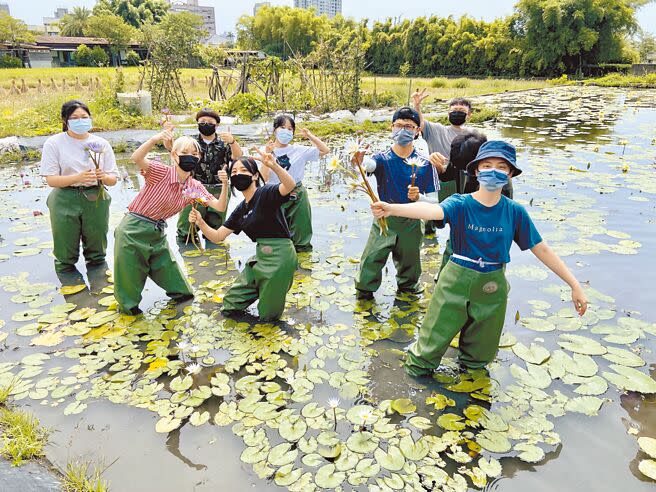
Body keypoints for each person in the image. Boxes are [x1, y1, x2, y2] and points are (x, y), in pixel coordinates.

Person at [370, 140, 588, 376]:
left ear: (510, 173)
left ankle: (469, 397)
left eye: (501, 167)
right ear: (476, 170)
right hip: (456, 280)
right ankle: (418, 384)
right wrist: (392, 208)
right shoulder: (461, 204)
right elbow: (433, 211)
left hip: (492, 287)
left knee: (479, 357)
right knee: (429, 346)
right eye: (487, 165)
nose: (493, 171)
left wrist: (574, 285)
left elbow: (541, 248)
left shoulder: (514, 212)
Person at [114, 132, 228, 315]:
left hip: (157, 233)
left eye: (194, 153)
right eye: (184, 152)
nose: (190, 156)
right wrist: (154, 138)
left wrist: (225, 184)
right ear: (174, 155)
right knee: (129, 298)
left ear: (198, 158)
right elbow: (136, 158)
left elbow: (219, 207)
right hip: (133, 229)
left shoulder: (194, 187)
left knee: (184, 293)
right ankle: (130, 329)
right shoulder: (161, 172)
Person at [189, 150, 298, 321]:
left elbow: (289, 186)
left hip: (280, 257)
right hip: (261, 256)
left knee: (268, 317)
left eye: (244, 171)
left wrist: (274, 166)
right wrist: (201, 222)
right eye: (234, 172)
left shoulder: (266, 193)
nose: (238, 174)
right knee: (231, 304)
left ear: (255, 176)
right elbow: (218, 236)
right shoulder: (241, 209)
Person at [353, 107, 446, 299]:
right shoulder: (382, 158)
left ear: (417, 131)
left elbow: (435, 203)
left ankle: (408, 300)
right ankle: (363, 297)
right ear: (391, 128)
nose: (403, 130)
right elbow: (367, 167)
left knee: (409, 271)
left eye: (409, 126)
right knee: (370, 262)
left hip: (411, 222)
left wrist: (419, 197)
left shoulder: (426, 164)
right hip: (383, 220)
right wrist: (359, 161)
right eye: (399, 125)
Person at [39, 100, 118, 275]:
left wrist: (103, 177)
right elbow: (51, 180)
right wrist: (78, 177)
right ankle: (70, 289)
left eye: (84, 117)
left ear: (90, 118)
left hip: (95, 197)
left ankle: (100, 288)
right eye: (75, 117)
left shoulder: (101, 144)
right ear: (65, 120)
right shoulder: (54, 143)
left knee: (97, 251)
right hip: (65, 198)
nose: (80, 120)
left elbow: (113, 179)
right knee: (65, 252)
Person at [436, 131, 513, 275]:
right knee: (450, 261)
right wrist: (438, 169)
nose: (465, 172)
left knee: (484, 274)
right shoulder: (462, 157)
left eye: (468, 170)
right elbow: (448, 175)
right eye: (462, 169)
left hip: (487, 232)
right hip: (461, 224)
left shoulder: (498, 182)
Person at [259, 115, 330, 253]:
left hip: (296, 193)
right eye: (282, 127)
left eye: (290, 129)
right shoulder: (265, 150)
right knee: (276, 234)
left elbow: (325, 150)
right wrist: (267, 156)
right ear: (275, 130)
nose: (286, 131)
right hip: (274, 193)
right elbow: (263, 177)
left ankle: (303, 263)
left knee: (301, 233)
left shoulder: (299, 150)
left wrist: (310, 136)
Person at [170, 108, 242, 243]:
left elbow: (238, 156)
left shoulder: (224, 143)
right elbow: (173, 151)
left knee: (216, 229)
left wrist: (233, 141)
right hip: (194, 189)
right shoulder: (191, 144)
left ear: (217, 125)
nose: (206, 125)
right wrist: (168, 136)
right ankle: (189, 258)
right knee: (187, 227)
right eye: (202, 122)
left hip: (219, 188)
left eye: (210, 122)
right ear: (197, 123)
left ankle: (216, 259)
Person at [413, 90, 473, 233]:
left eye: (461, 111)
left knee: (459, 223)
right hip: (437, 181)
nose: (457, 113)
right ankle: (429, 240)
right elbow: (420, 124)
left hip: (460, 182)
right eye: (454, 110)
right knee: (429, 223)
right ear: (448, 114)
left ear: (469, 115)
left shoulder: (473, 135)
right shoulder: (437, 130)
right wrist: (417, 105)